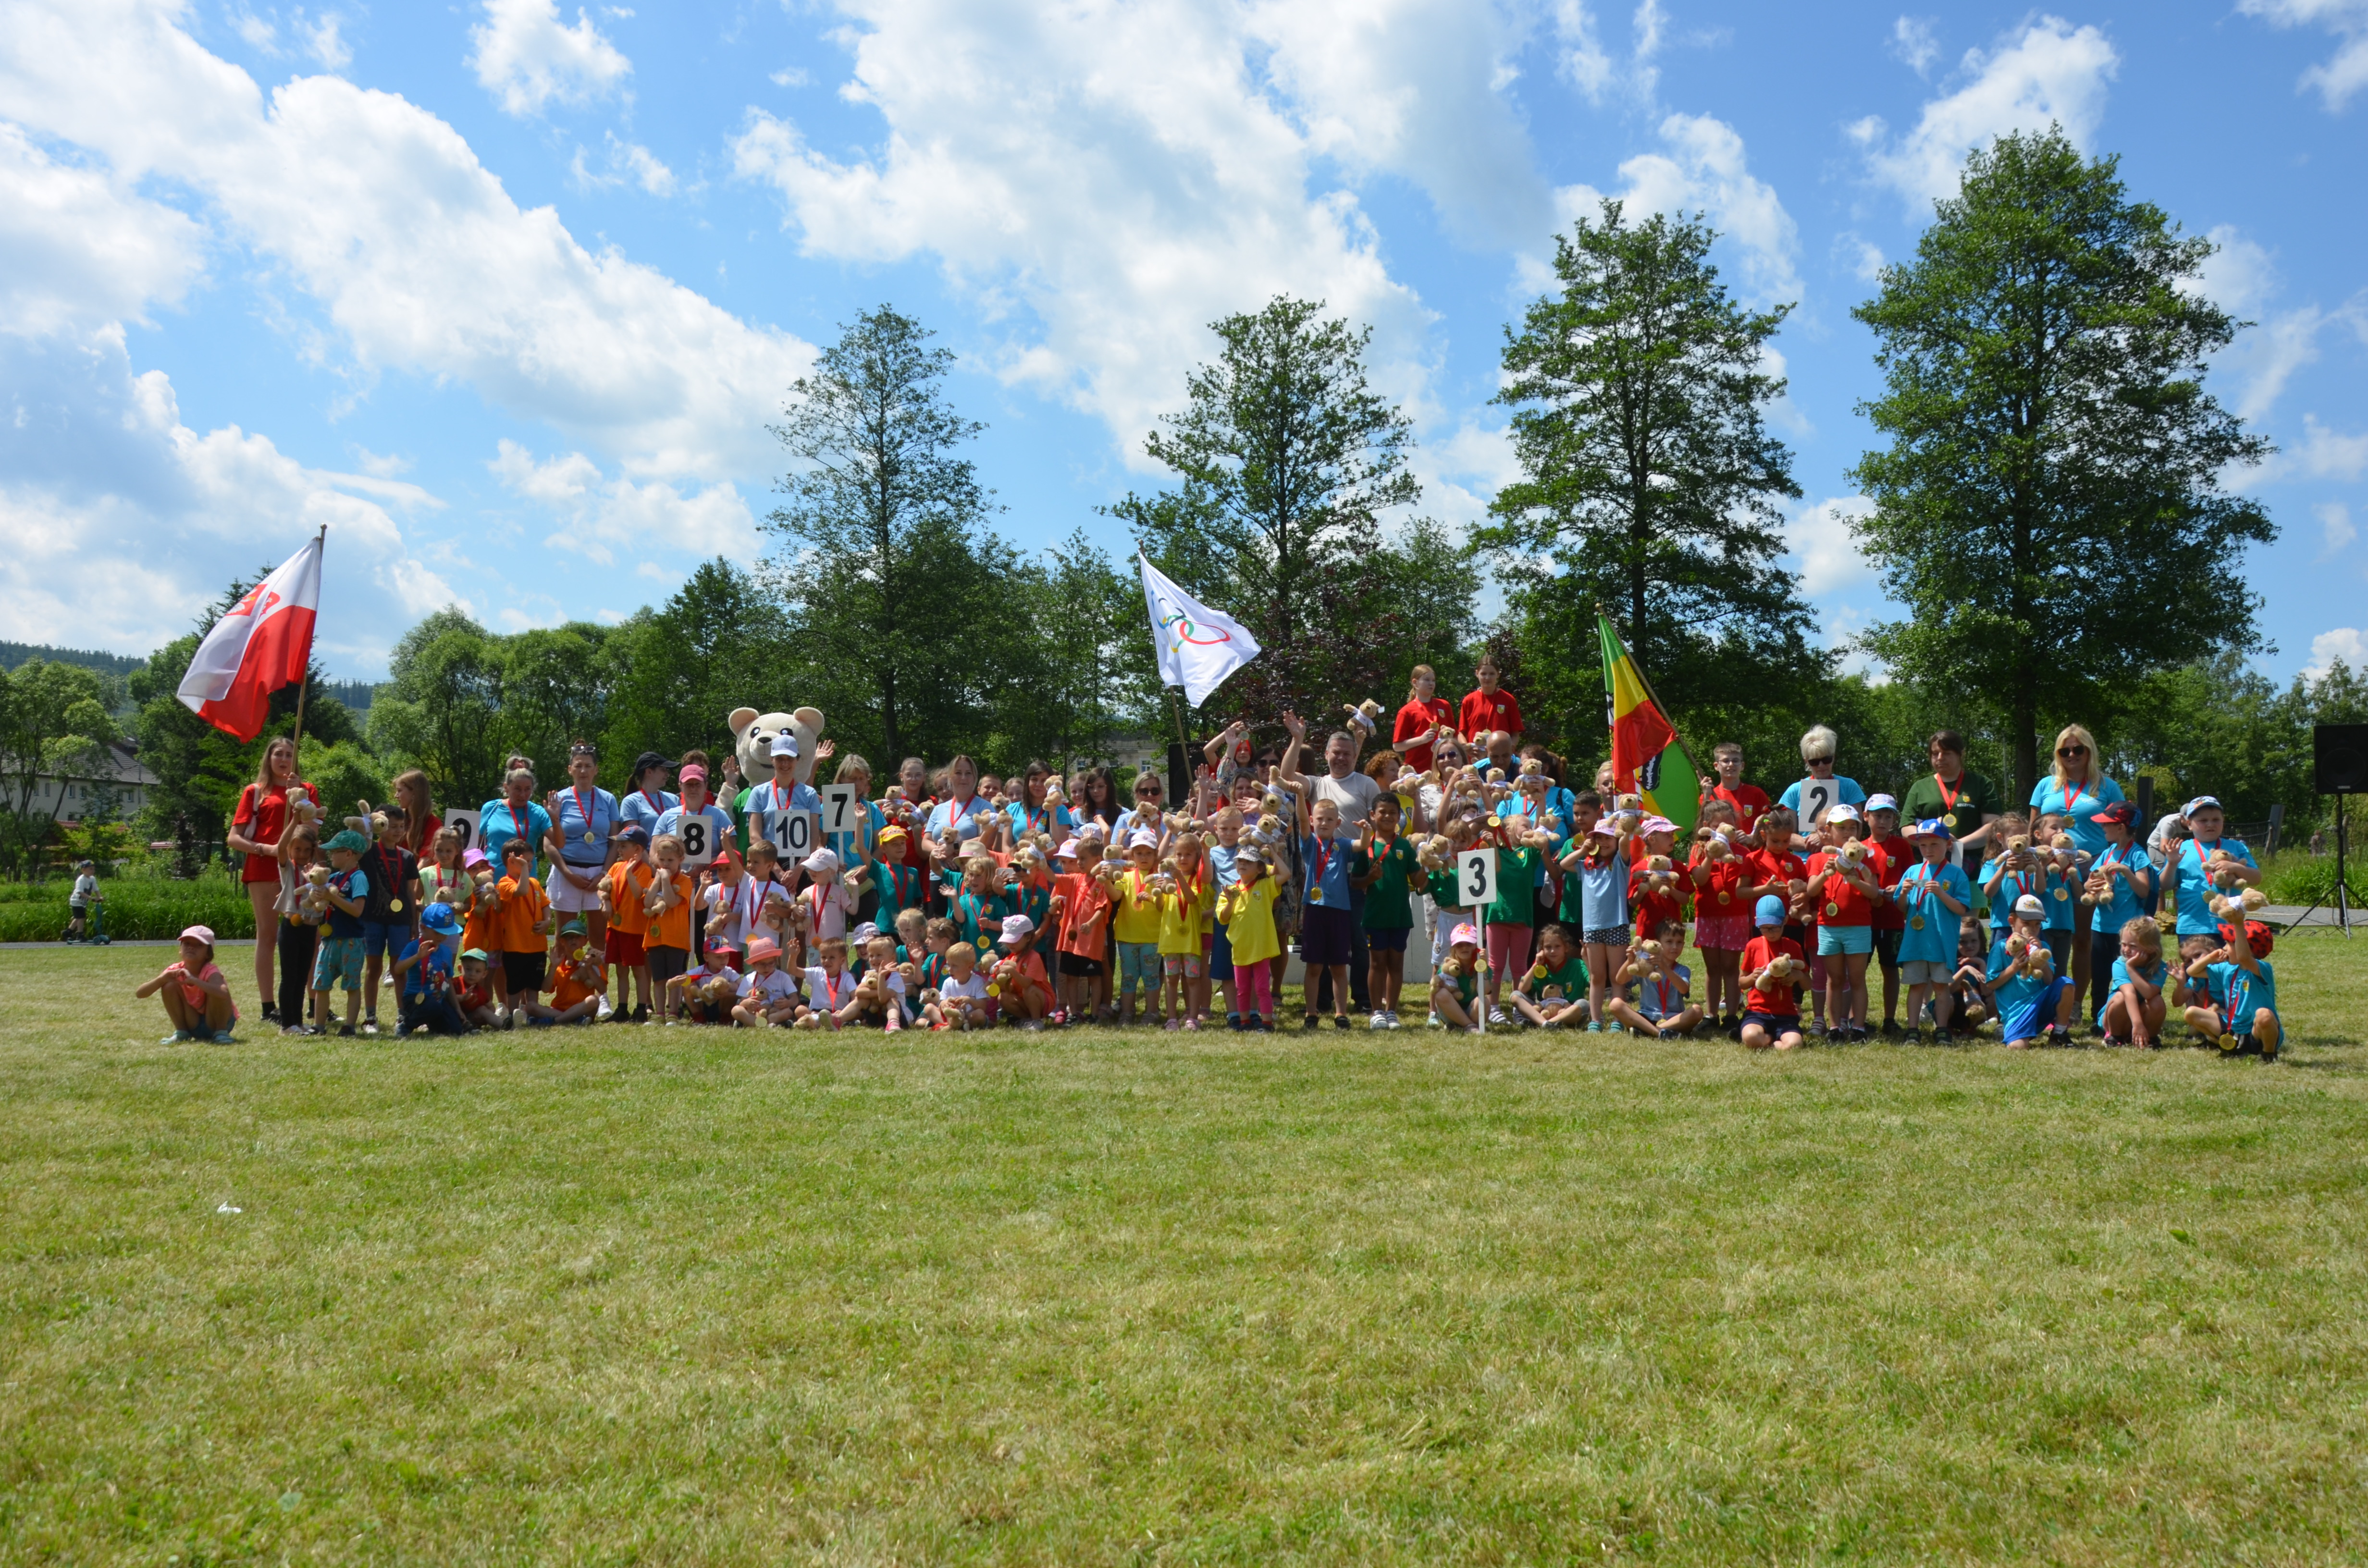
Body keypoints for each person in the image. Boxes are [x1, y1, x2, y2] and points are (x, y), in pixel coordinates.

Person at [1280, 710, 1380, 1014]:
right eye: (1336, 753)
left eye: (1347, 754)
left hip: (1357, 867)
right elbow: (1285, 778)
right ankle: (1322, 1001)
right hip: (1322, 879)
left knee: (1358, 942)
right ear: (1326, 755)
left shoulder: (1366, 784)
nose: (1341, 759)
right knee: (1323, 945)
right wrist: (1297, 739)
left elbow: (1378, 822)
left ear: (1355, 756)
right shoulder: (1317, 783)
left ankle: (1362, 998)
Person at [2029, 723, 2125, 1008]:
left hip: (2091, 870)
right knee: (2046, 935)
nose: (2071, 754)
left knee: (2083, 940)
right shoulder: (2046, 786)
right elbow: (2033, 827)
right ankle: (2046, 1000)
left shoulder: (2107, 787)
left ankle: (2075, 1005)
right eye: (2065, 750)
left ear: (2089, 751)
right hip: (2050, 870)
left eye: (2078, 749)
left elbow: (2122, 827)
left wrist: (2113, 866)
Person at [226, 734, 320, 1026]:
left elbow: (314, 831)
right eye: (278, 754)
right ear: (269, 758)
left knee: (310, 936)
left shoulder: (308, 790)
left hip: (301, 869)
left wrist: (300, 798)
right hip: (265, 868)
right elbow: (234, 838)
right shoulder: (255, 791)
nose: (283, 759)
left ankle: (314, 1003)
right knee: (267, 936)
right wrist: (265, 849)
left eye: (289, 755)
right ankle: (269, 1007)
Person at [1806, 804, 1884, 1042]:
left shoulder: (1866, 857)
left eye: (1853, 827)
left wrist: (1857, 880)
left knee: (1857, 979)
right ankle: (1835, 1028)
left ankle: (1858, 1028)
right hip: (1828, 926)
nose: (1848, 832)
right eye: (1842, 828)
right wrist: (1824, 874)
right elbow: (1811, 890)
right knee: (1834, 979)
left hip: (1858, 926)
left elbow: (1874, 893)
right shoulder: (1819, 858)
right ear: (1828, 831)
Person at [1894, 819, 1974, 1040]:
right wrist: (1903, 893)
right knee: (1916, 986)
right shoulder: (1912, 871)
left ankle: (1942, 1028)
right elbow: (1901, 906)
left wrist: (1941, 894)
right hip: (1916, 941)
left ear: (1948, 844)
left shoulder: (1956, 874)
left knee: (1941, 987)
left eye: (1934, 844)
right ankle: (1913, 1030)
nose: (1928, 850)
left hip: (1942, 940)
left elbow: (1961, 909)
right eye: (1923, 846)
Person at [545, 741, 620, 956]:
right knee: (565, 936)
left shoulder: (608, 799)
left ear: (596, 770)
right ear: (570, 770)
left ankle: (599, 987)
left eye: (588, 766)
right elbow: (548, 844)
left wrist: (604, 874)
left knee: (598, 938)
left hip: (598, 873)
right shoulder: (559, 798)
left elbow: (614, 841)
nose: (583, 771)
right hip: (566, 871)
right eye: (578, 766)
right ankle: (564, 985)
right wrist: (568, 874)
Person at [1899, 731, 2003, 883]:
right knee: (1932, 906)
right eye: (1935, 754)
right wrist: (1935, 839)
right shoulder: (1920, 787)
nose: (1940, 758)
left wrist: (1956, 844)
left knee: (1969, 907)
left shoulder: (1981, 784)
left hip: (1973, 868)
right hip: (1930, 869)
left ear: (1961, 754)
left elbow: (1993, 826)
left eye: (1947, 753)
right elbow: (1906, 829)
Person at [2083, 802, 2153, 1024]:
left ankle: (2130, 1018)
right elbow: (2090, 882)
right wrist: (2090, 887)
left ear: (2121, 827)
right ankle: (2098, 1019)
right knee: (2100, 976)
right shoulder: (2108, 852)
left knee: (2127, 975)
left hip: (2128, 931)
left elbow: (2144, 890)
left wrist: (2125, 871)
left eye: (2106, 825)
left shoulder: (2137, 854)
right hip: (2101, 926)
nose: (2102, 829)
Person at [1354, 796, 1420, 1029]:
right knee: (1377, 963)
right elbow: (1354, 882)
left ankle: (1392, 1011)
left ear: (1399, 817)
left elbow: (1418, 879)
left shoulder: (1404, 846)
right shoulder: (1366, 846)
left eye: (1394, 813)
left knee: (1396, 963)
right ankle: (1376, 1012)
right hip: (1374, 915)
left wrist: (1431, 864)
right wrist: (1369, 879)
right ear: (1373, 815)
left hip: (1400, 914)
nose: (1388, 817)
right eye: (1383, 812)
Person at [358, 802, 420, 1037]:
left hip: (401, 921)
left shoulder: (407, 856)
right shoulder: (368, 852)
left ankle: (403, 1016)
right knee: (373, 969)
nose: (397, 831)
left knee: (399, 970)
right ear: (379, 825)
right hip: (372, 918)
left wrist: (414, 923)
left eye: (401, 826)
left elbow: (410, 892)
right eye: (392, 826)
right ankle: (370, 1017)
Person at [2183, 918, 2281, 1060]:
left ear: (2246, 948)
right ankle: (2225, 1043)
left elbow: (2244, 958)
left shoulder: (2262, 969)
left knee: (2264, 1015)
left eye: (2229, 944)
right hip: (2233, 1027)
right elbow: (2192, 972)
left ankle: (2268, 1053)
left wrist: (2239, 924)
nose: (2224, 948)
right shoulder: (2227, 969)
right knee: (2191, 1013)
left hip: (2256, 1031)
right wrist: (2210, 958)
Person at [1987, 894, 2075, 1049]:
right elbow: (1991, 985)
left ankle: (2059, 1033)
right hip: (2017, 1011)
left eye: (2037, 924)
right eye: (2026, 923)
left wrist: (2042, 960)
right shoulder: (2001, 948)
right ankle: (2021, 1032)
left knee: (2066, 984)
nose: (2033, 929)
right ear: (2012, 922)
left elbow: (2049, 981)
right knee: (2017, 1047)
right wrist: (2014, 967)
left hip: (2041, 1003)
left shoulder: (2044, 948)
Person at [2170, 796, 2263, 941]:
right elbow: (2165, 885)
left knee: (2230, 963)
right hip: (2192, 924)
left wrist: (2235, 867)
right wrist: (2171, 863)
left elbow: (2256, 878)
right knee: (2196, 963)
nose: (2210, 824)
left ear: (2223, 821)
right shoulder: (2181, 849)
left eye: (2216, 820)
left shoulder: (2236, 847)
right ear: (2189, 824)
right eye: (2203, 821)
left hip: (2230, 922)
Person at [310, 828, 372, 1037]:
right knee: (321, 983)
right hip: (329, 939)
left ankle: (350, 1026)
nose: (330, 855)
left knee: (352, 985)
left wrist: (332, 897)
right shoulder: (333, 878)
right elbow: (321, 902)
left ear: (349, 854)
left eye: (335, 851)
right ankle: (318, 1026)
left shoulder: (359, 877)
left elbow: (357, 910)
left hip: (352, 940)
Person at [1215, 844, 1282, 1031]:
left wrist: (1274, 854)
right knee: (1242, 989)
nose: (1243, 865)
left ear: (1260, 868)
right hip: (1240, 947)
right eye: (1240, 862)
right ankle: (1245, 1022)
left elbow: (1285, 875)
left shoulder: (1265, 885)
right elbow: (1224, 918)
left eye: (1249, 862)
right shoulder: (1229, 891)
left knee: (1261, 988)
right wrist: (1230, 902)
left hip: (1261, 947)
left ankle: (1267, 1023)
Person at [137, 925, 239, 1043]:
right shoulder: (175, 970)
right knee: (169, 984)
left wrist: (194, 980)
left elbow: (223, 993)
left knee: (216, 990)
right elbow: (140, 994)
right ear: (180, 950)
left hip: (217, 1022)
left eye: (199, 945)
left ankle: (221, 1033)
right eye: (187, 944)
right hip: (193, 1025)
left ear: (208, 954)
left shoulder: (210, 971)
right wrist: (161, 979)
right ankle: (182, 1032)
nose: (191, 948)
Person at [1610, 917, 1703, 1039]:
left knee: (1697, 1011)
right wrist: (1630, 961)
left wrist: (1665, 968)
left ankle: (1648, 1032)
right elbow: (1620, 980)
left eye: (1679, 942)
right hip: (1646, 1017)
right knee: (1615, 1004)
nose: (1675, 946)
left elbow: (1684, 989)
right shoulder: (1645, 966)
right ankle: (1661, 1033)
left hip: (1674, 1019)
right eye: (1669, 942)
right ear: (1658, 943)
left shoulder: (1682, 970)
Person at [494, 836, 552, 1025]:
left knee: (533, 983)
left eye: (531, 862)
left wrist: (548, 921)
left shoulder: (535, 883)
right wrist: (524, 869)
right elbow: (519, 891)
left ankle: (531, 1013)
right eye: (526, 862)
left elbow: (545, 904)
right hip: (516, 946)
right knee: (515, 985)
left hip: (536, 944)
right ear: (512, 862)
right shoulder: (504, 882)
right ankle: (513, 1015)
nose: (530, 865)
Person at [601, 826, 656, 1021]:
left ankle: (641, 1008)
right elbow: (604, 888)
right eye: (619, 845)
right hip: (615, 927)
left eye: (624, 846)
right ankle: (622, 1008)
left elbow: (637, 894)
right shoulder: (616, 867)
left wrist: (631, 873)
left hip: (634, 929)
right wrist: (606, 901)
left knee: (639, 970)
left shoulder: (644, 870)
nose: (619, 850)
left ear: (638, 850)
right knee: (621, 970)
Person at [1739, 897, 1806, 1052]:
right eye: (1764, 928)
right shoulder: (1753, 946)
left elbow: (1808, 984)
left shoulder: (1793, 946)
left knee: (1794, 1045)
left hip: (1786, 1014)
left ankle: (1772, 1041)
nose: (1769, 933)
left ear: (1785, 921)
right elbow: (1742, 982)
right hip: (1757, 1012)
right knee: (1750, 1037)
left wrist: (1799, 976)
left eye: (1774, 928)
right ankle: (1771, 1040)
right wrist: (1752, 977)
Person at [392, 903, 468, 1036]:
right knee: (432, 1007)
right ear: (423, 928)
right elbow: (398, 970)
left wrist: (457, 1009)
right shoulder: (414, 947)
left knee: (456, 1030)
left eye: (446, 933)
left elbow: (448, 981)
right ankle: (406, 1025)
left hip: (439, 1001)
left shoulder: (446, 952)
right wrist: (417, 957)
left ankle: (434, 1025)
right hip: (415, 999)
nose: (443, 937)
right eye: (438, 932)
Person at [642, 833, 696, 1021]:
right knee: (658, 979)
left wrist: (665, 880)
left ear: (681, 859)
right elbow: (648, 903)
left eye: (670, 860)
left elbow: (672, 902)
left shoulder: (685, 881)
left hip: (676, 938)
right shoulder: (653, 880)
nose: (665, 864)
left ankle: (673, 1013)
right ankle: (659, 1014)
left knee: (674, 978)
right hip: (655, 938)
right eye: (662, 859)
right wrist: (657, 880)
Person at [2097, 917, 2169, 1049]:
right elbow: (2129, 994)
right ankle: (2114, 1037)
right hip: (2116, 1019)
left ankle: (2150, 1038)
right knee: (2120, 998)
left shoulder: (2160, 967)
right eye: (2124, 944)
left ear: (2151, 948)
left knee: (2156, 1000)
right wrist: (2138, 1024)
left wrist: (2132, 970)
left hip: (2140, 1019)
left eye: (2133, 946)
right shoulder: (2120, 964)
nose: (2126, 950)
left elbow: (2148, 993)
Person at [1776, 726, 1865, 826]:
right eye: (1814, 762)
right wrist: (1808, 841)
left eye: (1826, 760)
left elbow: (1856, 829)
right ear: (1807, 762)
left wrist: (1824, 836)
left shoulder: (1849, 787)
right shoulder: (1794, 791)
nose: (1821, 766)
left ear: (1834, 758)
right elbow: (1786, 834)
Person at [479, 766, 552, 884]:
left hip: (525, 881)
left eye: (527, 789)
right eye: (517, 789)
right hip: (493, 881)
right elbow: (475, 846)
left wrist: (555, 818)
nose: (523, 795)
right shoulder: (491, 808)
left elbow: (559, 843)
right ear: (506, 788)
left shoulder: (538, 812)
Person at [1508, 922, 1589, 1028]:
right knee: (1515, 996)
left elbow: (1594, 983)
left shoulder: (1577, 965)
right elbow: (1522, 989)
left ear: (1566, 948)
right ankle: (1545, 1023)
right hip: (1544, 1011)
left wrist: (1587, 960)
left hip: (1569, 1013)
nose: (1552, 951)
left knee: (1583, 1004)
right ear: (1542, 949)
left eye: (1557, 947)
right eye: (1548, 947)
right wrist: (1535, 966)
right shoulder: (1540, 967)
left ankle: (1548, 1023)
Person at [1393, 664, 1455, 772]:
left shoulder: (1444, 705)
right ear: (1415, 683)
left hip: (1445, 768)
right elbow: (1397, 746)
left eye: (1433, 680)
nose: (1431, 684)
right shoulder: (1406, 711)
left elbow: (1455, 735)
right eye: (1427, 680)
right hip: (1418, 770)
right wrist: (1422, 739)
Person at [1699, 742, 1768, 837]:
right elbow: (1701, 828)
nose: (1731, 765)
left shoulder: (1756, 793)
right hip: (1719, 850)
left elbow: (1768, 820)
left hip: (1749, 850)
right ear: (1716, 766)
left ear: (1742, 766)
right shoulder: (1708, 796)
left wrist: (1754, 837)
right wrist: (1706, 797)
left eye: (1736, 761)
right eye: (1726, 761)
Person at [1430, 922, 1487, 1033]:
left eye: (1469, 944)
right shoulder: (1447, 968)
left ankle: (1460, 1027)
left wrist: (1484, 969)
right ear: (1454, 948)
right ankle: (1470, 1026)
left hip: (1472, 1011)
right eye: (1460, 945)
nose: (1464, 948)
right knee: (1441, 994)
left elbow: (1486, 990)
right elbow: (1436, 991)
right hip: (1451, 1012)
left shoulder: (1481, 965)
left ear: (1476, 946)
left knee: (1485, 1002)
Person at [1456, 654, 1523, 745]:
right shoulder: (1469, 700)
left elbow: (1515, 734)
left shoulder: (1508, 700)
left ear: (1498, 675)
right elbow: (1461, 733)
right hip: (1475, 756)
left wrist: (1508, 750)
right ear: (1477, 674)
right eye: (1483, 674)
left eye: (1492, 674)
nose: (1487, 678)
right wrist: (1466, 748)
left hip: (1500, 757)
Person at [620, 751, 678, 842]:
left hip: (674, 854)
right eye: (663, 770)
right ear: (649, 771)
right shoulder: (631, 802)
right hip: (645, 855)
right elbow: (633, 840)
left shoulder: (674, 799)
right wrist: (651, 856)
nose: (667, 774)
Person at [391, 769, 443, 861]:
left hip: (418, 875)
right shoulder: (397, 819)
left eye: (399, 791)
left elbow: (426, 861)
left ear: (414, 793)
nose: (396, 796)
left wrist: (411, 876)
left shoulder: (434, 824)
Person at [67, 859, 99, 942]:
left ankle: (68, 932)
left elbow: (96, 889)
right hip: (76, 901)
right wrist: (92, 898)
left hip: (83, 902)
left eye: (93, 869)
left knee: (78, 918)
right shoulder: (81, 880)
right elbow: (80, 892)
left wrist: (100, 897)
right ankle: (80, 935)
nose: (93, 871)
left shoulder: (92, 879)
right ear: (83, 870)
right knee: (82, 917)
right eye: (90, 869)